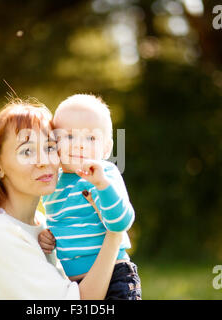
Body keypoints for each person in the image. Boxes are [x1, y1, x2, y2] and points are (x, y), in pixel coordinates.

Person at [0, 98, 123, 299]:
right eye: (27, 151)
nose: (43, 161)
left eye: (49, 147)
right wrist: (115, 234)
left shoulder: (42, 225)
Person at [38, 94, 141, 300]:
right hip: (70, 284)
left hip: (114, 275)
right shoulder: (51, 182)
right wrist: (46, 236)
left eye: (91, 138)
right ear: (54, 142)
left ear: (106, 148)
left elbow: (122, 222)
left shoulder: (105, 174)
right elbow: (59, 222)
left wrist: (102, 185)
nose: (79, 145)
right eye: (69, 136)